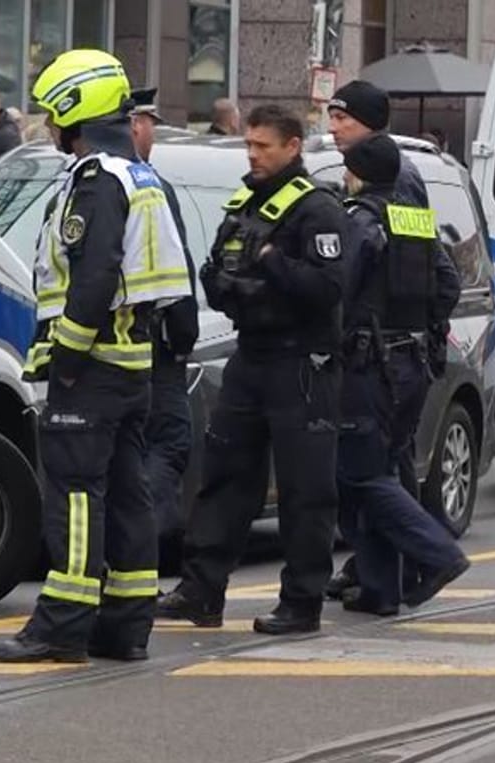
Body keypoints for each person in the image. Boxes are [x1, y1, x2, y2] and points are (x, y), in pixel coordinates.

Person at [0, 50, 192, 664]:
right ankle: (126, 626)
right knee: (128, 495)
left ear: (76, 110)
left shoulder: (99, 180)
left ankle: (61, 626)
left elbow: (95, 275)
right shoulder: (140, 176)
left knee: (75, 496)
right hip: (133, 367)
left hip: (94, 369)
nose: (48, 127)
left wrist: (67, 357)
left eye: (52, 114)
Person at [157, 105, 346, 636]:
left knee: (305, 488)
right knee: (225, 476)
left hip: (302, 362)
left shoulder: (317, 211)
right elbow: (218, 271)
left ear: (292, 147)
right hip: (252, 354)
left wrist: (270, 265)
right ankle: (201, 591)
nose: (254, 155)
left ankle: (301, 601)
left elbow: (328, 289)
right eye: (249, 145)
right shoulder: (245, 204)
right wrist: (234, 283)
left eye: (264, 146)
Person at [336, 133, 467, 614]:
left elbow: (342, 290)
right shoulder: (414, 219)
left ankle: (438, 555)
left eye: (347, 169)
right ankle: (380, 590)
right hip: (413, 362)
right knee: (383, 469)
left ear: (359, 174)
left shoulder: (361, 219)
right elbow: (448, 285)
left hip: (372, 366)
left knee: (361, 476)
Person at [326, 78, 431, 600]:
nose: (333, 126)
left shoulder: (391, 185)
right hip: (398, 351)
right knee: (381, 462)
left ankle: (416, 561)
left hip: (382, 352)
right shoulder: (389, 181)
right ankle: (381, 571)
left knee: (379, 467)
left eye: (343, 117)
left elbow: (382, 271)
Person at [129, 88, 200, 540]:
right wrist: (183, 334)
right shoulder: (150, 187)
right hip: (154, 350)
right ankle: (133, 551)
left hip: (108, 348)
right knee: (169, 442)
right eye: (150, 121)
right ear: (135, 124)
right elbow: (174, 270)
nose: (153, 131)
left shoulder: (77, 179)